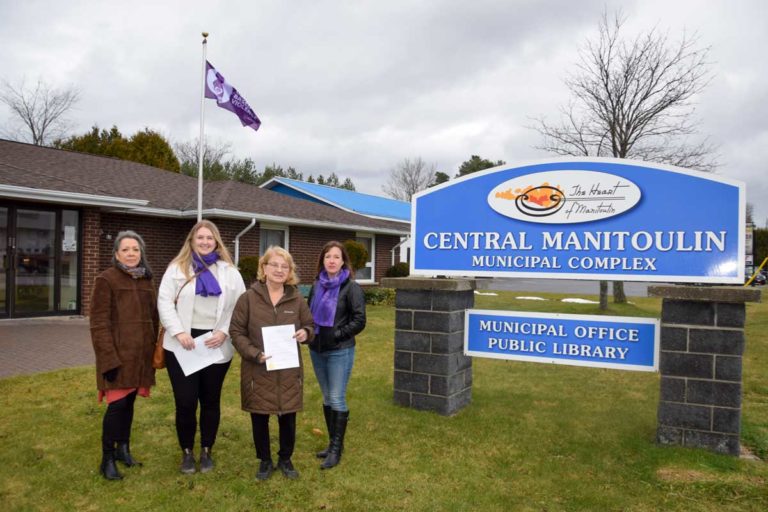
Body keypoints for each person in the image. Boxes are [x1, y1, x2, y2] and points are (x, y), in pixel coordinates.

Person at [158, 220, 245, 474]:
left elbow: (240, 306)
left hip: (215, 343)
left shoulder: (229, 271)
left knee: (210, 400)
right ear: (191, 241)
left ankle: (207, 449)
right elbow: (164, 303)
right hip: (182, 345)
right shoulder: (176, 269)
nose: (205, 242)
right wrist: (178, 332)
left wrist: (224, 331)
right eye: (200, 238)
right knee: (185, 402)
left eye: (210, 238)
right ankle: (187, 451)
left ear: (216, 242)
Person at [230, 246, 314, 481]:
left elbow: (310, 325)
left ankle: (285, 459)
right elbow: (236, 332)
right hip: (258, 368)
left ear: (289, 272)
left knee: (288, 416)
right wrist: (255, 353)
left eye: (284, 266)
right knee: (259, 416)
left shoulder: (297, 299)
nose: (279, 270)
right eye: (274, 265)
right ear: (263, 268)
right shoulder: (247, 299)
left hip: (288, 370)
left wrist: (305, 334)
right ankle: (265, 460)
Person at [90, 230, 159, 481]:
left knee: (129, 405)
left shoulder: (146, 280)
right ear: (116, 253)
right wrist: (108, 359)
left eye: (136, 249)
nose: (131, 254)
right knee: (116, 406)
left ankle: (123, 449)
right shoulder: (106, 280)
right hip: (117, 357)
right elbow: (98, 324)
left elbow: (154, 317)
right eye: (126, 249)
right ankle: (106, 458)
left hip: (140, 356)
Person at [307, 241, 366, 470]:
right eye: (328, 256)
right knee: (326, 397)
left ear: (343, 262)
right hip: (317, 349)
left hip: (340, 350)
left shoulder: (351, 288)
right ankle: (333, 444)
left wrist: (337, 335)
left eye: (336, 257)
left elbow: (359, 320)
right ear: (322, 260)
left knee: (336, 397)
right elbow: (308, 313)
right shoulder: (316, 285)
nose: (332, 260)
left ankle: (335, 449)